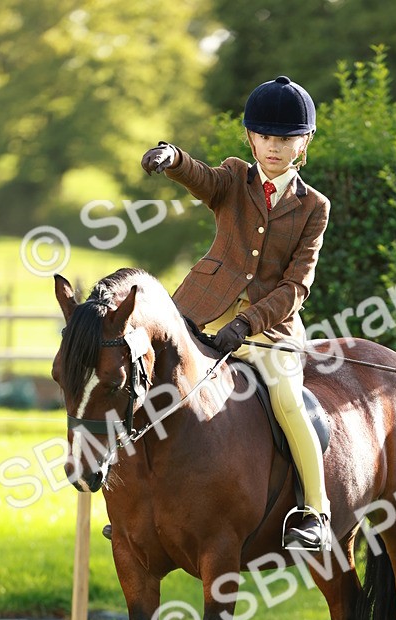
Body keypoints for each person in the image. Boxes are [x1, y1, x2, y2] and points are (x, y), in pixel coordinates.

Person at [140, 75, 332, 552]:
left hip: (269, 332)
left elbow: (296, 286)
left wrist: (247, 323)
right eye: (264, 136)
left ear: (305, 141)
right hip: (200, 316)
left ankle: (315, 511)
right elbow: (201, 178)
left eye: (285, 138)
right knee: (146, 383)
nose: (273, 146)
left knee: (289, 401)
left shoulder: (314, 207)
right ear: (250, 137)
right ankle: (137, 505)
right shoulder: (233, 177)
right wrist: (173, 158)